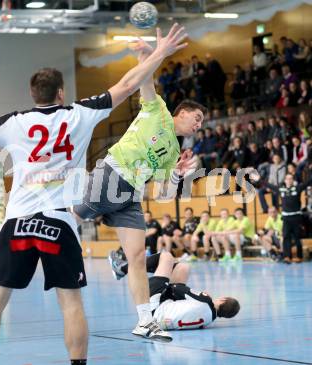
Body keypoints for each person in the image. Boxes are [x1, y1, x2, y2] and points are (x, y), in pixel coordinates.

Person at [0, 25, 189, 364]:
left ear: (33, 95)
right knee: (70, 303)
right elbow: (130, 84)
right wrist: (159, 53)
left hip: (17, 222)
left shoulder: (14, 122)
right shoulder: (80, 114)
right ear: (61, 93)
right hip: (58, 221)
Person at [74, 30, 206, 341]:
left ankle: (144, 321)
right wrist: (146, 54)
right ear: (182, 113)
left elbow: (163, 189)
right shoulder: (157, 108)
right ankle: (22, 228)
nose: (199, 125)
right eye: (197, 118)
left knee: (135, 256)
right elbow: (145, 80)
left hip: (131, 194)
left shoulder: (174, 150)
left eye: (202, 122)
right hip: (112, 175)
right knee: (71, 218)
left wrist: (178, 173)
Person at [108, 251, 240, 329]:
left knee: (166, 257)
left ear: (223, 300)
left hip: (153, 307)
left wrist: (203, 295)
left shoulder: (206, 301)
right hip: (159, 318)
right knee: (183, 267)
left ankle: (122, 268)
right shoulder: (208, 320)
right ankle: (129, 269)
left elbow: (178, 288)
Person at [254, 173, 312, 264]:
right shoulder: (281, 189)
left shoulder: (297, 188)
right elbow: (269, 185)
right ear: (285, 181)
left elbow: (308, 182)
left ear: (292, 180)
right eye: (287, 179)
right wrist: (259, 179)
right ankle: (287, 257)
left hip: (296, 217)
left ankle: (299, 257)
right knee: (286, 237)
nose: (289, 180)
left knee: (297, 238)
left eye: (290, 179)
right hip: (286, 218)